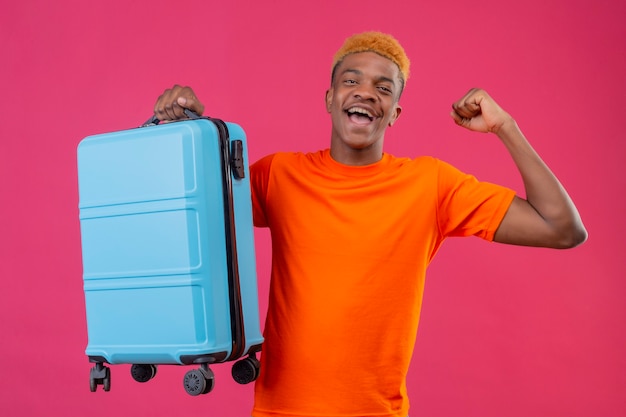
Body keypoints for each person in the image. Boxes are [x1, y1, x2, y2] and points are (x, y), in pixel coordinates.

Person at [153, 32, 586, 417]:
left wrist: (505, 127)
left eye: (383, 88)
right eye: (351, 80)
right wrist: (180, 131)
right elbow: (182, 214)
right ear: (328, 98)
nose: (366, 93)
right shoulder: (277, 175)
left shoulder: (429, 184)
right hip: (279, 409)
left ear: (395, 112)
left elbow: (562, 228)